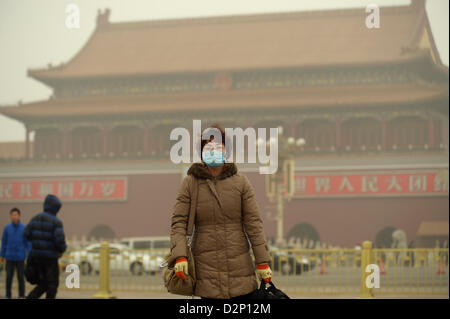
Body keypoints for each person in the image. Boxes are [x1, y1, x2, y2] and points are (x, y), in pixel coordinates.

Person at [170, 124, 273, 299]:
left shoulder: (241, 183)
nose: (214, 150)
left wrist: (262, 261)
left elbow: (254, 224)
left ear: (227, 152)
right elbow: (178, 222)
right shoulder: (190, 183)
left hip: (240, 269)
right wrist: (180, 256)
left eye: (219, 147)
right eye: (209, 147)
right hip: (206, 271)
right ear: (201, 152)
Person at [24, 194, 66, 299]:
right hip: (50, 259)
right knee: (52, 284)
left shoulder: (35, 218)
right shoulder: (56, 222)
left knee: (43, 283)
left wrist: (37, 244)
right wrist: (62, 249)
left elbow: (26, 234)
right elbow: (59, 240)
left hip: (36, 257)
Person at [0, 207, 31, 299]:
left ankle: (21, 295)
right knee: (8, 277)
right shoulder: (7, 228)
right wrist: (2, 255)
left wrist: (29, 255)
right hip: (9, 257)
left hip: (20, 257)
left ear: (19, 216)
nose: (14, 216)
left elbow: (28, 243)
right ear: (10, 216)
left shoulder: (24, 228)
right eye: (12, 215)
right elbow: (4, 242)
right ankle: (8, 295)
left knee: (21, 278)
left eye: (16, 215)